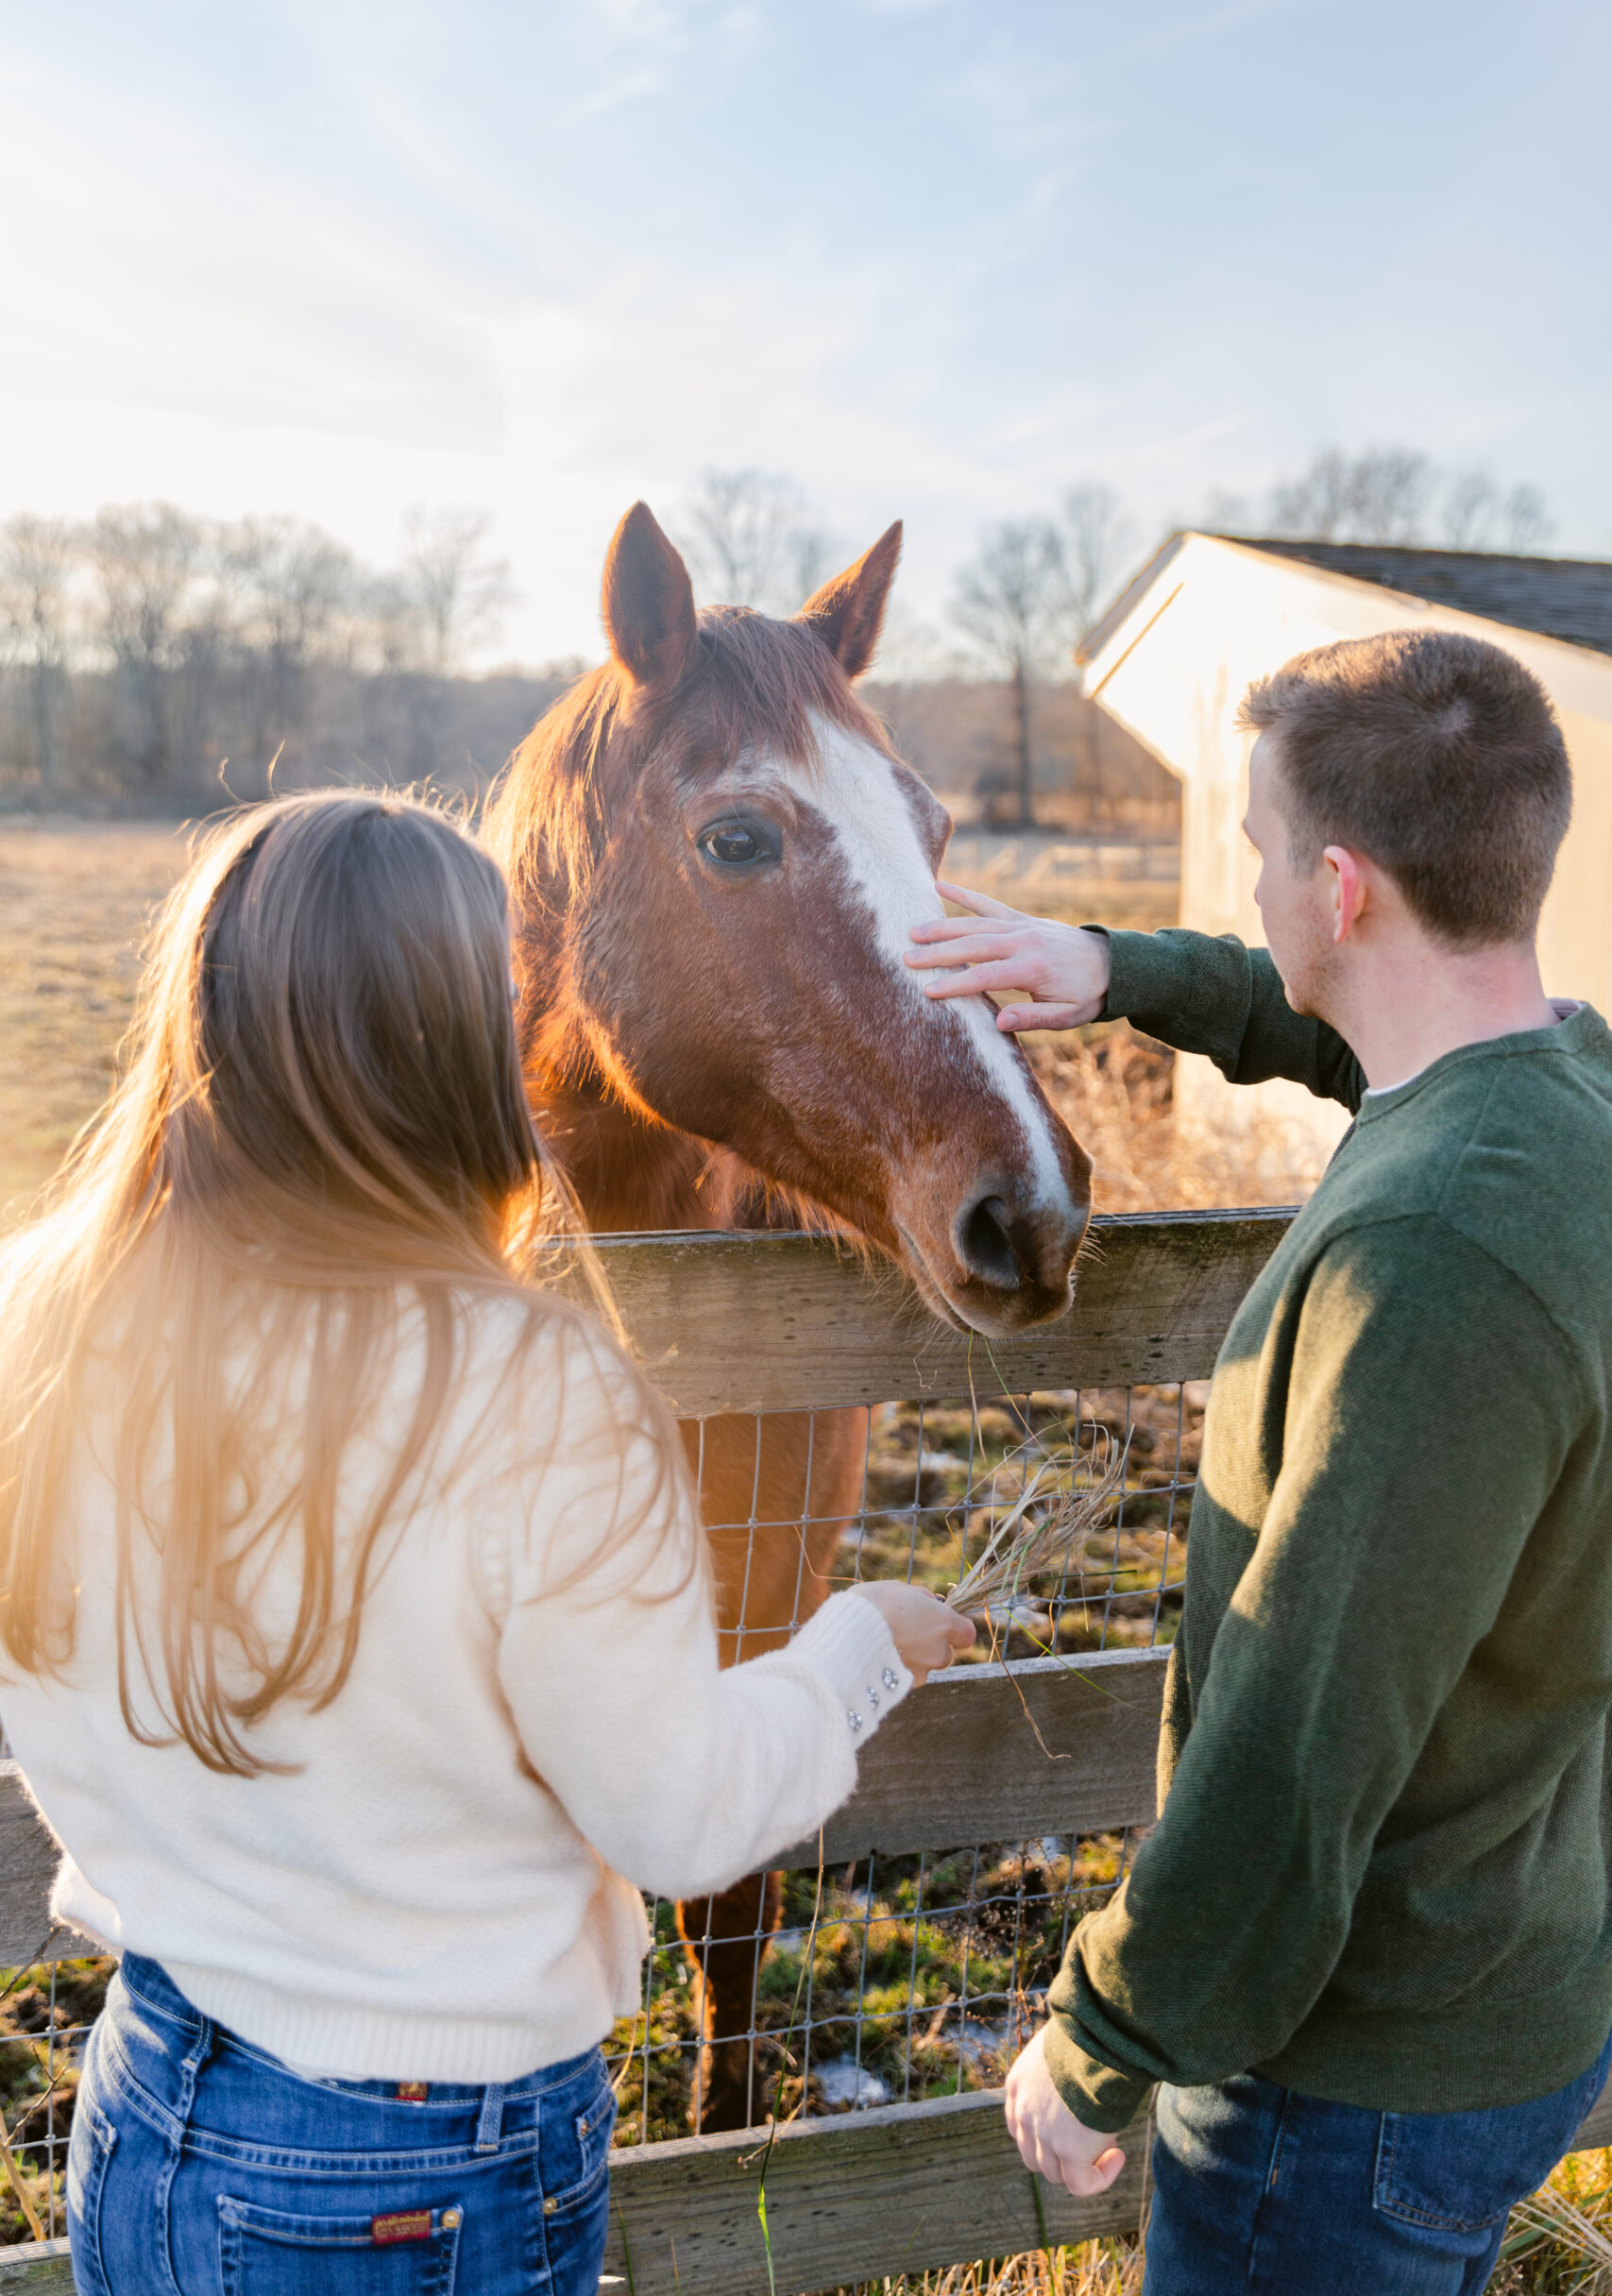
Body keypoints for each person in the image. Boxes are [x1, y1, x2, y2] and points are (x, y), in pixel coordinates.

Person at [0, 790, 972, 2296]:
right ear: (469, 1035)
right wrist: (856, 1652)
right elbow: (682, 1818)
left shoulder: (32, 1315)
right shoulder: (531, 1387)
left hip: (147, 2101)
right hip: (417, 2168)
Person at [908, 629, 1612, 2294]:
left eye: (1262, 849)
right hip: (1519, 1967)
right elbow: (1362, 1048)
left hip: (1346, 2092)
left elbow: (1301, 1737)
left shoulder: (1436, 1262)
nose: (1253, 872)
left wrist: (1097, 2041)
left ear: (1344, 887)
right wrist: (1119, 965)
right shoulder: (1567, 1087)